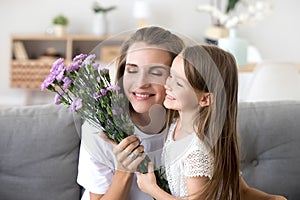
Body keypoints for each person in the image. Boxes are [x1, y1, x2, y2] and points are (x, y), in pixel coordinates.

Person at [135, 44, 287, 200]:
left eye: (179, 83)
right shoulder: (178, 124)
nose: (168, 85)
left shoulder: (196, 151)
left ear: (205, 99)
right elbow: (241, 190)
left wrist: (152, 189)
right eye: (171, 75)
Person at [77, 26, 185, 200]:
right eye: (132, 70)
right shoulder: (99, 126)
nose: (141, 83)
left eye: (156, 72)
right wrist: (124, 169)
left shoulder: (189, 124)